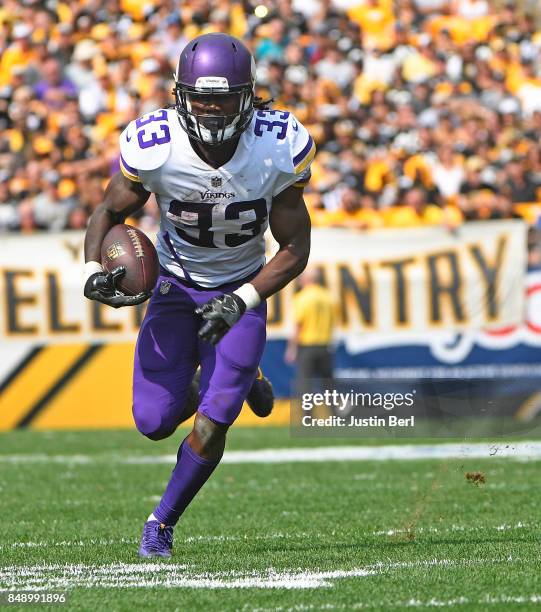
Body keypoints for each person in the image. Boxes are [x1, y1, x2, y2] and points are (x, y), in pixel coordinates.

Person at [83, 33, 314, 558]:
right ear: (180, 95)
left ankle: (161, 524)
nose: (211, 108)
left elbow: (295, 248)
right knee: (154, 422)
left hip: (240, 288)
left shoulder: (277, 146)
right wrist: (94, 269)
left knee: (212, 424)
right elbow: (108, 213)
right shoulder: (155, 143)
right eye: (202, 97)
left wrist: (243, 299)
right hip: (172, 282)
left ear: (249, 95)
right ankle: (230, 378)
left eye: (224, 97)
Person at [285, 267, 335, 403]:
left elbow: (298, 325)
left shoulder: (302, 297)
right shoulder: (328, 297)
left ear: (307, 279)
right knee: (328, 385)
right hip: (325, 346)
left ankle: (307, 417)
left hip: (307, 346)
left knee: (305, 384)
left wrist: (292, 348)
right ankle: (335, 415)